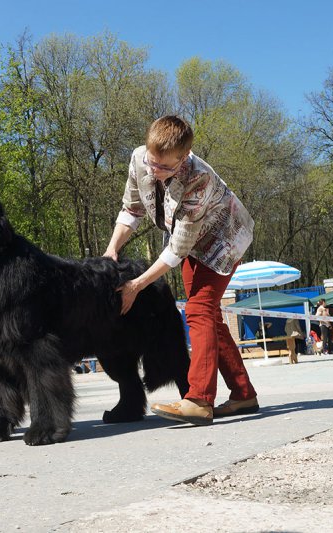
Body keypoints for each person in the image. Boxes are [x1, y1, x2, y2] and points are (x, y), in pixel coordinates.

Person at [103, 115, 257, 426]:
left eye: (165, 168)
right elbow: (131, 210)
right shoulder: (137, 159)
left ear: (183, 157)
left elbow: (177, 250)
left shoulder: (197, 179)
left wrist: (137, 285)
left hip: (223, 239)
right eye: (152, 163)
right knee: (209, 314)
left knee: (199, 310)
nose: (155, 172)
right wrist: (111, 251)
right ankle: (243, 393)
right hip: (187, 239)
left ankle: (199, 400)